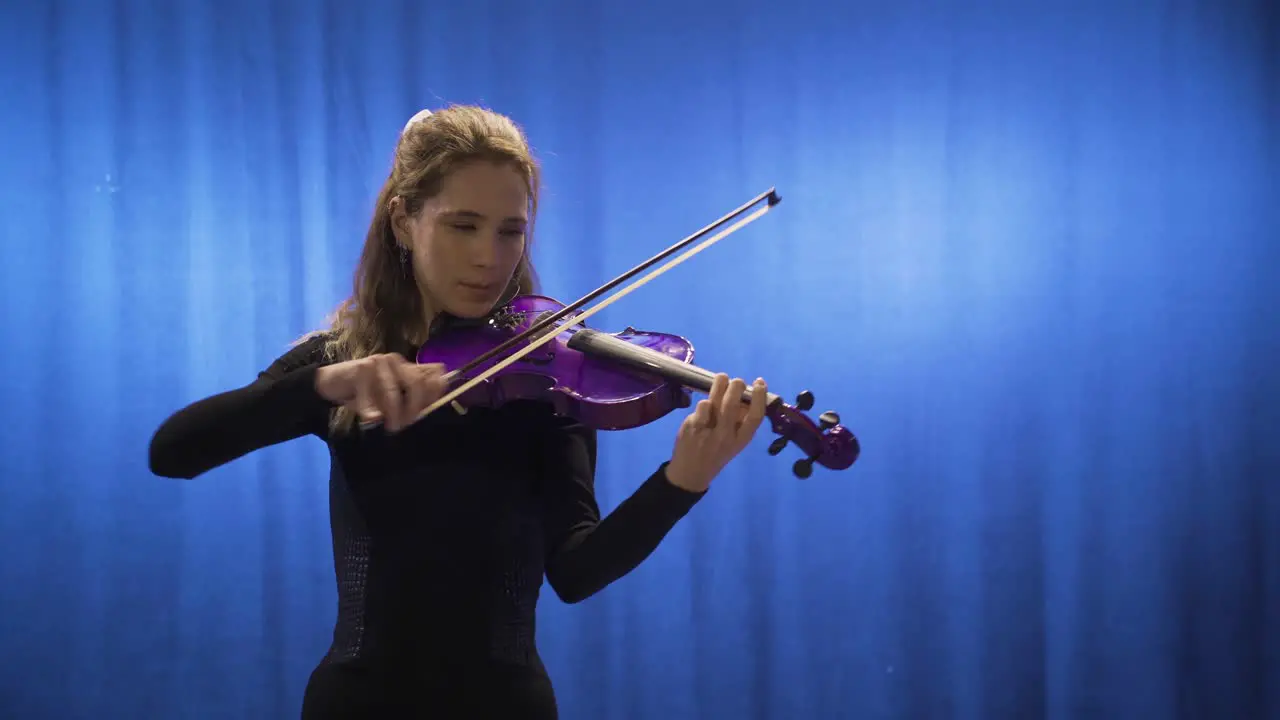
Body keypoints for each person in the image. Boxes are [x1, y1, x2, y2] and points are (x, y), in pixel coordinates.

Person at [148, 104, 770, 719]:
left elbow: (577, 571)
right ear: (403, 220)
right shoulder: (346, 363)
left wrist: (681, 481)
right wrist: (324, 385)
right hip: (358, 703)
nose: (488, 258)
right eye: (462, 225)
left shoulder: (548, 375)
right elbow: (174, 452)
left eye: (510, 230)